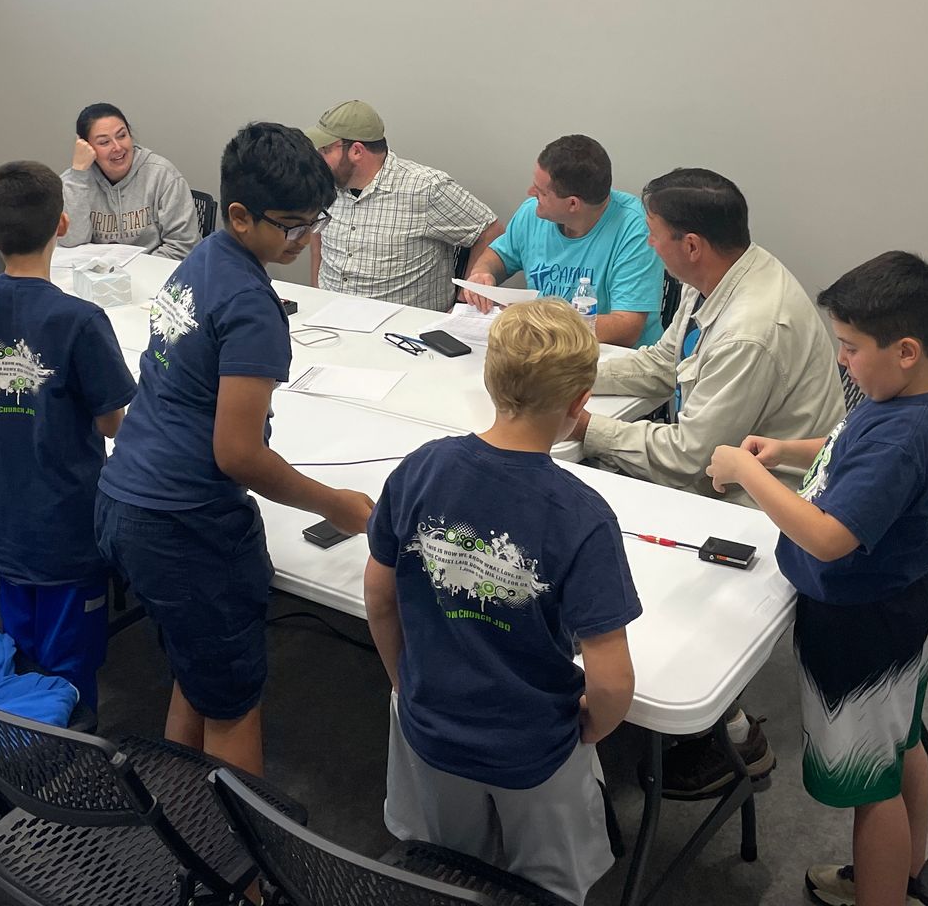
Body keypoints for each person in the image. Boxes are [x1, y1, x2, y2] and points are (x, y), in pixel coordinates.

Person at [95, 122, 375, 775]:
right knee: (233, 708)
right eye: (293, 227)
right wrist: (333, 504)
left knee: (197, 676)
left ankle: (183, 819)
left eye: (315, 222)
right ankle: (234, 844)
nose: (305, 239)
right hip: (185, 526)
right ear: (242, 215)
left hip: (127, 500)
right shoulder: (252, 305)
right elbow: (239, 455)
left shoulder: (202, 260)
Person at [705, 252, 928, 906]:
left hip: (859, 627)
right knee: (901, 743)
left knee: (871, 788)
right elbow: (850, 447)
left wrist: (746, 470)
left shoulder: (901, 437)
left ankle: (879, 892)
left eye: (849, 347)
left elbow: (825, 536)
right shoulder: (918, 401)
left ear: (905, 351)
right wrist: (786, 451)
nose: (841, 360)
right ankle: (906, 876)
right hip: (901, 607)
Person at [364, 299, 640, 905]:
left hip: (428, 724)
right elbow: (612, 680)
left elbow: (379, 598)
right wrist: (588, 729)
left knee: (444, 869)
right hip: (533, 744)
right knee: (547, 885)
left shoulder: (420, 469)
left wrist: (403, 683)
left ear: (490, 379)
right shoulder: (582, 517)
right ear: (579, 403)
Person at [0, 160, 137, 709]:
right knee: (69, 671)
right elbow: (111, 422)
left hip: (0, 520)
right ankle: (65, 746)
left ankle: (18, 739)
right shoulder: (80, 319)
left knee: (21, 651)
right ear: (63, 225)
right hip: (66, 530)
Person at [571, 169, 844, 499]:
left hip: (758, 501)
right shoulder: (715, 274)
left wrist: (584, 426)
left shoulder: (747, 332)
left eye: (653, 234)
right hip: (714, 474)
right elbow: (664, 365)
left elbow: (688, 457)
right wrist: (568, 375)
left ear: (691, 246)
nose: (649, 243)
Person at [460, 135, 665, 347]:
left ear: (573, 204)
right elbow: (499, 255)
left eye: (541, 192)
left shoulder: (635, 229)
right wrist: (483, 272)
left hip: (610, 354)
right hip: (543, 347)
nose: (531, 193)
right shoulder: (532, 213)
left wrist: (537, 322)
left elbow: (626, 327)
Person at [303, 100, 503, 310]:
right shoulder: (326, 181)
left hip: (403, 326)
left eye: (325, 150)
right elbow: (318, 230)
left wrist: (464, 301)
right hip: (327, 314)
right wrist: (317, 289)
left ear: (357, 151)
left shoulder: (426, 188)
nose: (319, 158)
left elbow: (490, 231)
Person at [58, 102, 200, 260]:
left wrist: (133, 270)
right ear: (85, 146)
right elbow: (71, 243)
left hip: (154, 271)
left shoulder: (163, 175)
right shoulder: (73, 182)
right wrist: (79, 175)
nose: (118, 147)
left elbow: (183, 246)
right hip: (95, 272)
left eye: (122, 136)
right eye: (104, 142)